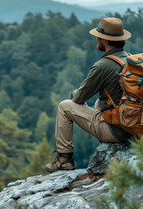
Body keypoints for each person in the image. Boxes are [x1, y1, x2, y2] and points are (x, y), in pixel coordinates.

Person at [46, 17, 133, 173]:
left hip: (119, 132)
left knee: (64, 106)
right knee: (100, 103)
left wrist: (76, 96)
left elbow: (79, 97)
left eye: (97, 36)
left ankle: (64, 159)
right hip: (137, 127)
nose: (96, 39)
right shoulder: (131, 60)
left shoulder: (103, 65)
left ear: (103, 40)